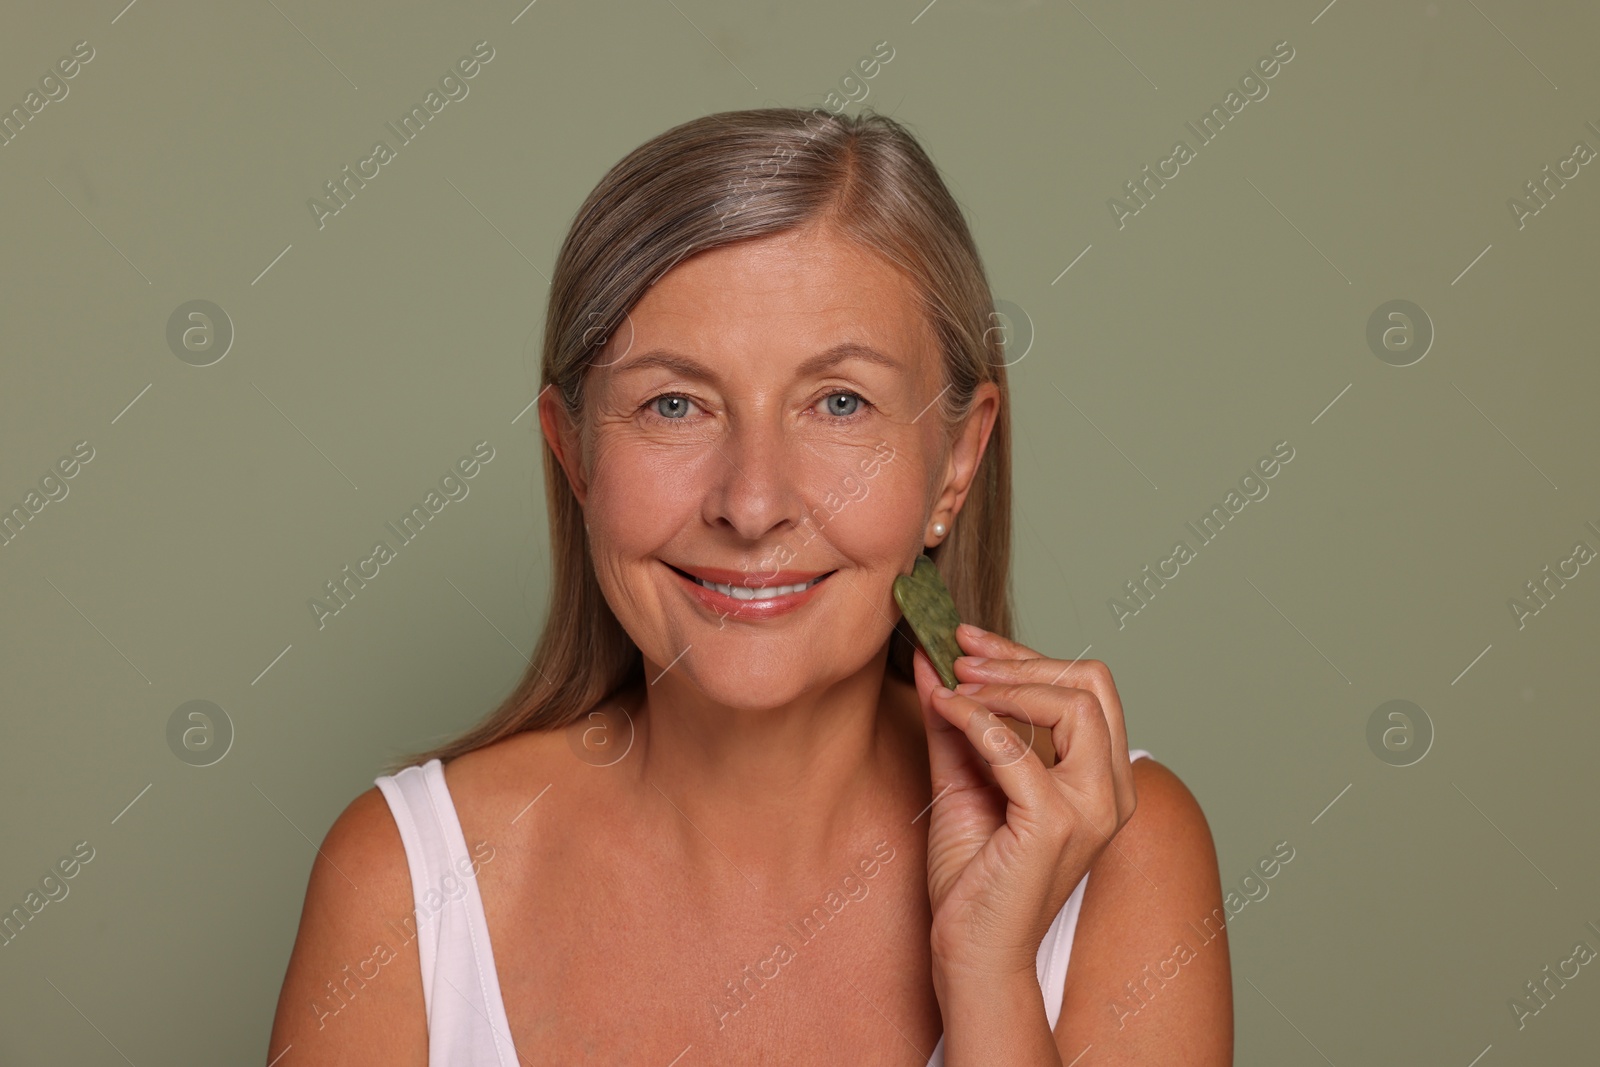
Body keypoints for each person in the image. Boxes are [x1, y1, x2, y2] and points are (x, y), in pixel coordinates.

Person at [268, 106, 1232, 1065]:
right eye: (675, 403)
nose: (754, 501)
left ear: (955, 464)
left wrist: (988, 974)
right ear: (574, 455)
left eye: (840, 402)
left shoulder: (1127, 858)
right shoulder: (401, 884)